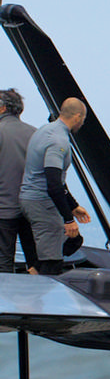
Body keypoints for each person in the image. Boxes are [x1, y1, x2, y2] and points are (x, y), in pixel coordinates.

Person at [19, 97, 92, 275]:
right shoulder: (58, 141)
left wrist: (73, 206)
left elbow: (56, 181)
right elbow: (53, 182)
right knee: (52, 262)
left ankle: (32, 277)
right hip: (42, 203)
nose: (82, 122)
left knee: (65, 245)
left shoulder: (44, 131)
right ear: (77, 116)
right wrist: (68, 220)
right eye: (83, 119)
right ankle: (39, 297)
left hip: (29, 200)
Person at [0, 89, 38, 273]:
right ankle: (36, 300)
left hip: (3, 208)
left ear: (2, 108)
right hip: (31, 208)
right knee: (35, 261)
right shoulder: (35, 134)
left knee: (3, 262)